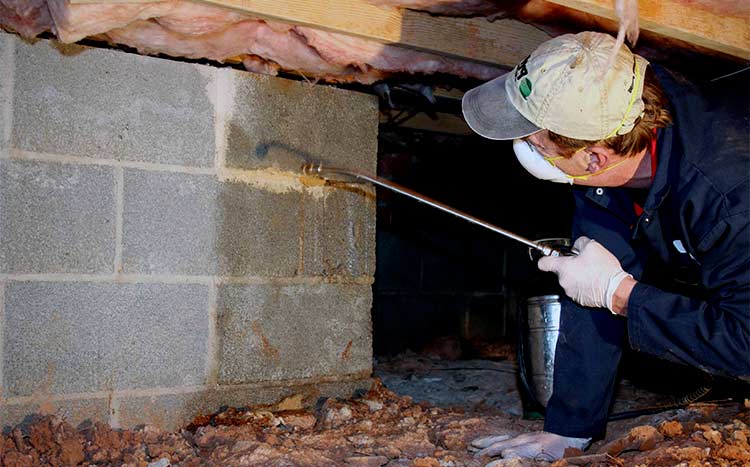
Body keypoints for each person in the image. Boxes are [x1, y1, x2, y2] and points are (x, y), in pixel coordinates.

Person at [461, 31, 750, 463]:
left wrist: (620, 294)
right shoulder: (605, 132)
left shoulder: (727, 195)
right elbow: (589, 286)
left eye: (536, 143)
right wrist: (567, 430)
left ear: (595, 157)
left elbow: (745, 343)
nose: (525, 150)